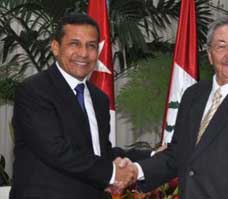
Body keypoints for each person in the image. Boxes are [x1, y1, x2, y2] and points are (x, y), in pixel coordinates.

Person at [118, 16, 228, 199]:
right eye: (221, 46)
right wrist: (135, 170)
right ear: (210, 54)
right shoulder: (193, 95)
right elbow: (178, 154)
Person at [9, 13, 150, 199]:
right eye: (74, 44)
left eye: (91, 46)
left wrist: (153, 155)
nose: (84, 53)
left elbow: (99, 152)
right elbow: (57, 151)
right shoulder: (34, 91)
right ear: (55, 47)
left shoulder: (99, 99)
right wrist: (114, 173)